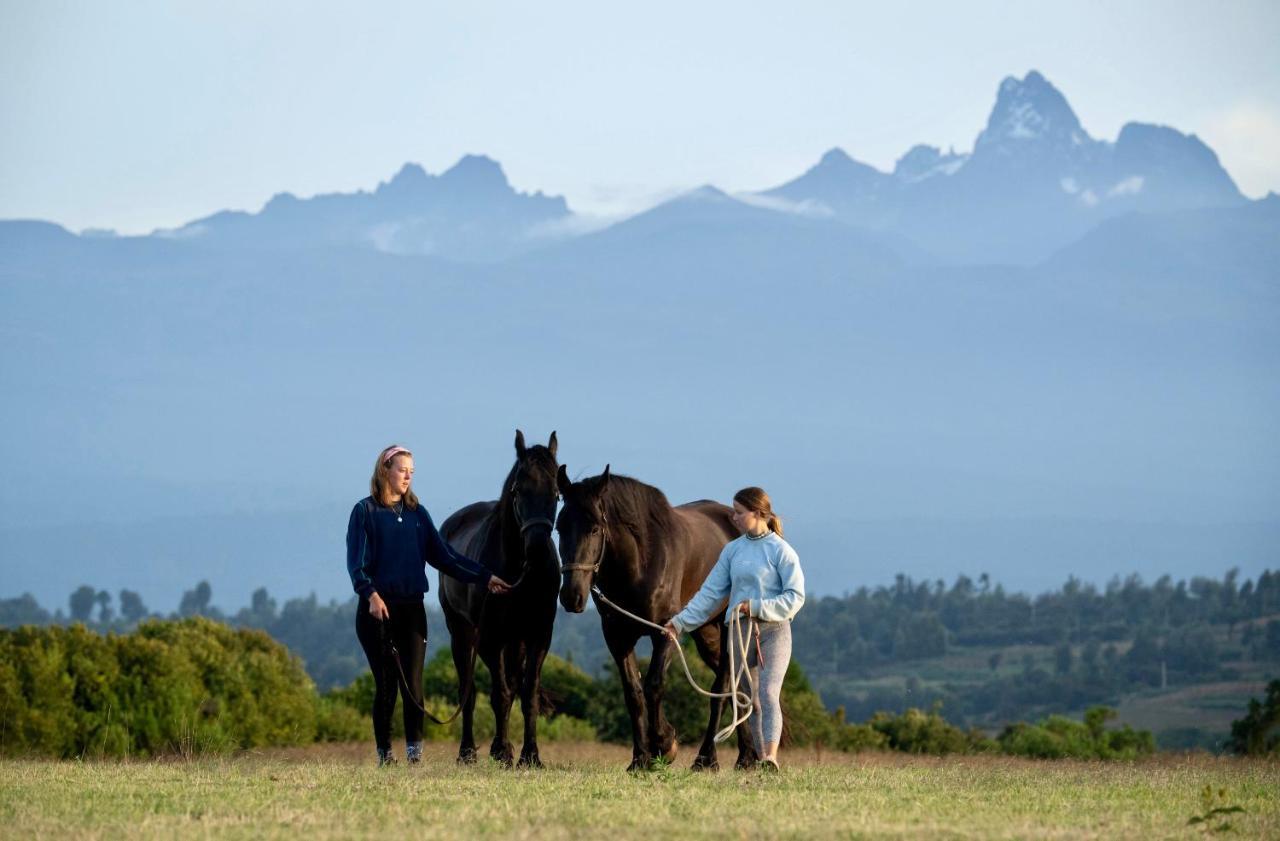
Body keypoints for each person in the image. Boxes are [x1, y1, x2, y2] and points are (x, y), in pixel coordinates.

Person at [347, 444, 511, 766]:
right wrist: (371, 594)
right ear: (385, 470)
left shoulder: (418, 515)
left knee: (414, 686)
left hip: (411, 611)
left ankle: (414, 758)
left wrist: (484, 576)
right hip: (376, 612)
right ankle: (385, 756)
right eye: (402, 469)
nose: (407, 476)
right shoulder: (364, 512)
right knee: (386, 687)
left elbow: (446, 558)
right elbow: (357, 564)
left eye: (412, 471)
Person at [663, 486, 805, 771]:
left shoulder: (781, 551)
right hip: (739, 633)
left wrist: (756, 607)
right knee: (749, 699)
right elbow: (709, 594)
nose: (734, 518)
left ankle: (770, 757)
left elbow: (795, 596)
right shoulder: (732, 551)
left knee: (767, 694)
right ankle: (760, 754)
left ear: (758, 513)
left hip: (774, 630)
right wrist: (679, 624)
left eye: (739, 513)